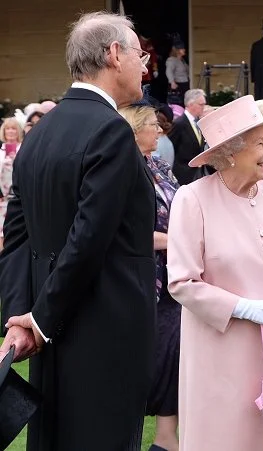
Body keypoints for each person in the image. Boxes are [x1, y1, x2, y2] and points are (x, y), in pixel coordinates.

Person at [0, 11, 156, 450]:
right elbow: (89, 239)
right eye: (139, 53)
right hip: (105, 324)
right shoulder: (111, 131)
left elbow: (17, 240)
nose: (145, 64)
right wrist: (37, 320)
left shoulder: (39, 134)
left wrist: (23, 318)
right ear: (113, 55)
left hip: (49, 329)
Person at [166, 94, 263, 451]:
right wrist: (243, 307)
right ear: (229, 151)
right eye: (260, 143)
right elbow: (181, 281)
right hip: (219, 350)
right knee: (222, 435)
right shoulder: (192, 198)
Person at [119, 104, 181, 451]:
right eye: (152, 126)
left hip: (173, 279)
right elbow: (122, 232)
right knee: (146, 360)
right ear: (135, 130)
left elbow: (183, 207)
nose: (158, 131)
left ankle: (165, 438)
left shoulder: (159, 166)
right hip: (140, 281)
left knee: (174, 352)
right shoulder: (123, 170)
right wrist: (174, 241)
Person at [169, 89, 207, 184]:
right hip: (183, 174)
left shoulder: (199, 122)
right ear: (191, 104)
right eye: (201, 104)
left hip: (199, 172)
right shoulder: (179, 123)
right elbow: (172, 147)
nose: (204, 107)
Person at [0, 117, 23, 251]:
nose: (10, 131)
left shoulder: (24, 148)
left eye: (13, 128)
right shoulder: (1, 150)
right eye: (8, 128)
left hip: (18, 196)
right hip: (2, 198)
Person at [165, 38, 190, 103]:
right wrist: (172, 82)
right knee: (178, 102)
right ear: (177, 50)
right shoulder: (171, 60)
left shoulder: (182, 60)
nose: (184, 50)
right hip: (178, 85)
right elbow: (169, 71)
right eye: (182, 49)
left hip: (185, 83)